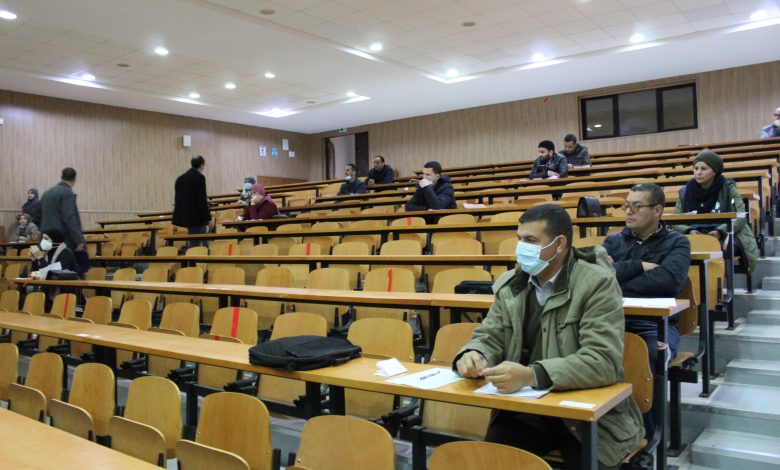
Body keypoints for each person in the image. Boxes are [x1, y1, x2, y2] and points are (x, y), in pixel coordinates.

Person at [454, 205, 642, 469]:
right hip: (527, 407)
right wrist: (474, 353)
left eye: (531, 240)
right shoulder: (512, 284)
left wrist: (531, 375)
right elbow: (491, 334)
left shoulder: (597, 283)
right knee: (495, 460)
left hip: (584, 411)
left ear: (559, 244)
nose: (521, 247)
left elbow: (603, 361)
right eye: (519, 239)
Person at [603, 183, 691, 453]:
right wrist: (639, 267)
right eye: (626, 206)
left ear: (658, 210)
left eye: (636, 206)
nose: (628, 211)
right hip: (611, 320)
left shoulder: (677, 242)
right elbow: (600, 278)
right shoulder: (613, 241)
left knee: (647, 356)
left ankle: (645, 441)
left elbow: (668, 282)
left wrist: (619, 277)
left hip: (655, 325)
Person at [672, 151, 758, 273]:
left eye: (703, 169)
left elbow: (740, 216)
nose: (698, 172)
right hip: (694, 234)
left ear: (715, 171)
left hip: (724, 234)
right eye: (696, 168)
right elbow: (675, 220)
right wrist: (689, 230)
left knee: (722, 248)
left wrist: (720, 231)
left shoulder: (728, 188)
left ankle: (720, 283)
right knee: (675, 250)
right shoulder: (685, 191)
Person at [40, 167, 88, 277]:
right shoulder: (67, 193)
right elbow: (69, 218)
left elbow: (39, 215)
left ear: (62, 177)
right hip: (63, 238)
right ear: (74, 179)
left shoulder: (47, 193)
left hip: (46, 238)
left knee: (50, 270)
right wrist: (79, 241)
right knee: (83, 264)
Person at [173, 156, 211, 247]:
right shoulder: (199, 177)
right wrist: (208, 218)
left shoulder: (180, 178)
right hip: (197, 216)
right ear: (202, 165)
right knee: (198, 243)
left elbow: (177, 198)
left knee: (195, 241)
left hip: (184, 215)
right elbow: (201, 199)